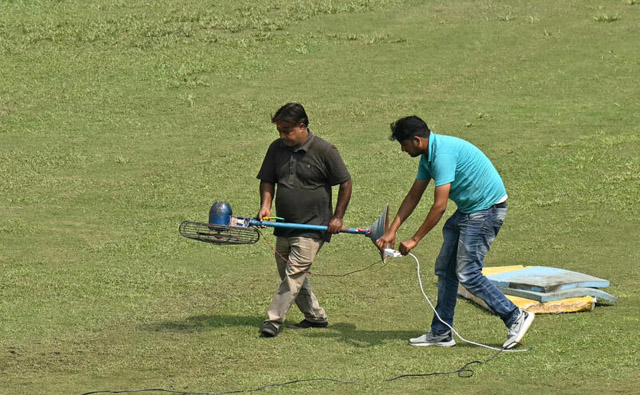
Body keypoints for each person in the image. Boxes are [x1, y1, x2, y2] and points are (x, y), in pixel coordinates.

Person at [375, 115, 534, 349]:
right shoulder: (429, 156)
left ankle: (515, 316)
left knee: (468, 273)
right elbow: (413, 196)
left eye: (404, 144)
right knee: (447, 270)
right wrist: (392, 231)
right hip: (469, 210)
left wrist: (415, 239)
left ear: (416, 140)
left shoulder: (442, 156)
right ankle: (441, 332)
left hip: (487, 210)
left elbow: (439, 206)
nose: (402, 149)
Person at [256, 103, 353, 338]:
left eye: (287, 131)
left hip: (313, 226)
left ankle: (273, 320)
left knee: (294, 275)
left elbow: (346, 182)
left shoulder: (325, 150)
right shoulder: (276, 149)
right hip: (284, 225)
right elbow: (268, 180)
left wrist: (337, 217)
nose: (283, 136)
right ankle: (315, 316)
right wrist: (265, 205)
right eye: (279, 131)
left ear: (302, 125)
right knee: (289, 274)